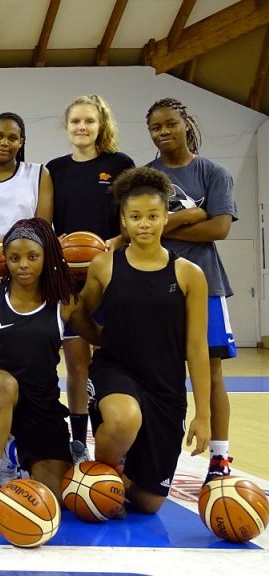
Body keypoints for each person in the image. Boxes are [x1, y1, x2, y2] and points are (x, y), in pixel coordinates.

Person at [80, 166, 211, 513]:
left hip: (165, 386)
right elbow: (81, 316)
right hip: (116, 371)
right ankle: (102, 475)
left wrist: (204, 415)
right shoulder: (104, 265)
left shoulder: (189, 274)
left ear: (166, 217)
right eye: (135, 216)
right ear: (123, 220)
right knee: (124, 419)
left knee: (149, 503)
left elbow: (197, 349)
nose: (144, 224)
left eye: (153, 216)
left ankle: (116, 483)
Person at [0, 218, 94, 522]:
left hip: (41, 400)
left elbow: (100, 337)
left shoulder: (65, 302)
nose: (23, 265)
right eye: (14, 258)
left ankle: (15, 452)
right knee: (4, 385)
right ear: (4, 260)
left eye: (32, 257)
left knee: (55, 498)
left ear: (47, 257)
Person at [145, 98, 237, 483]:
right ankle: (151, 448)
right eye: (155, 127)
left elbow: (219, 229)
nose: (164, 132)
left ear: (186, 123)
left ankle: (219, 457)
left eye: (170, 124)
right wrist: (189, 215)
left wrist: (166, 224)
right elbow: (142, 228)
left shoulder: (214, 173)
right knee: (155, 372)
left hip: (207, 282)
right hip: (157, 282)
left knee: (211, 372)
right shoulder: (146, 176)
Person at [47, 95, 135, 463]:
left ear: (101, 125)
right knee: (76, 361)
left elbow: (134, 215)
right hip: (70, 278)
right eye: (75, 122)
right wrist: (60, 248)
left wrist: (112, 243)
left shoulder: (120, 164)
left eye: (89, 121)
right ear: (66, 126)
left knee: (112, 358)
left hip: (112, 271)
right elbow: (48, 223)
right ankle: (79, 441)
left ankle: (113, 435)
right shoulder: (54, 168)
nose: (82, 127)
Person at [0, 113, 54, 280]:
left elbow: (43, 227)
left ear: (21, 142)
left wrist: (21, 257)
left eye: (12, 138)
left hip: (28, 266)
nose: (4, 143)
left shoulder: (39, 174)